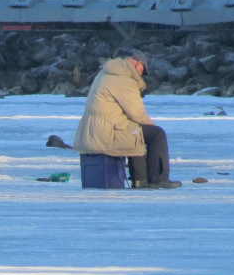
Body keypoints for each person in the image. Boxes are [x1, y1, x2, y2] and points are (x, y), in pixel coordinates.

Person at [73, 49, 181, 189]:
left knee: (135, 131)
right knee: (156, 134)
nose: (142, 74)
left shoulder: (106, 72)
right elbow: (137, 114)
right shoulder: (124, 79)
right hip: (107, 130)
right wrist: (152, 125)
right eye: (143, 70)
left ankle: (140, 181)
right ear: (138, 64)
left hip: (94, 128)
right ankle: (158, 179)